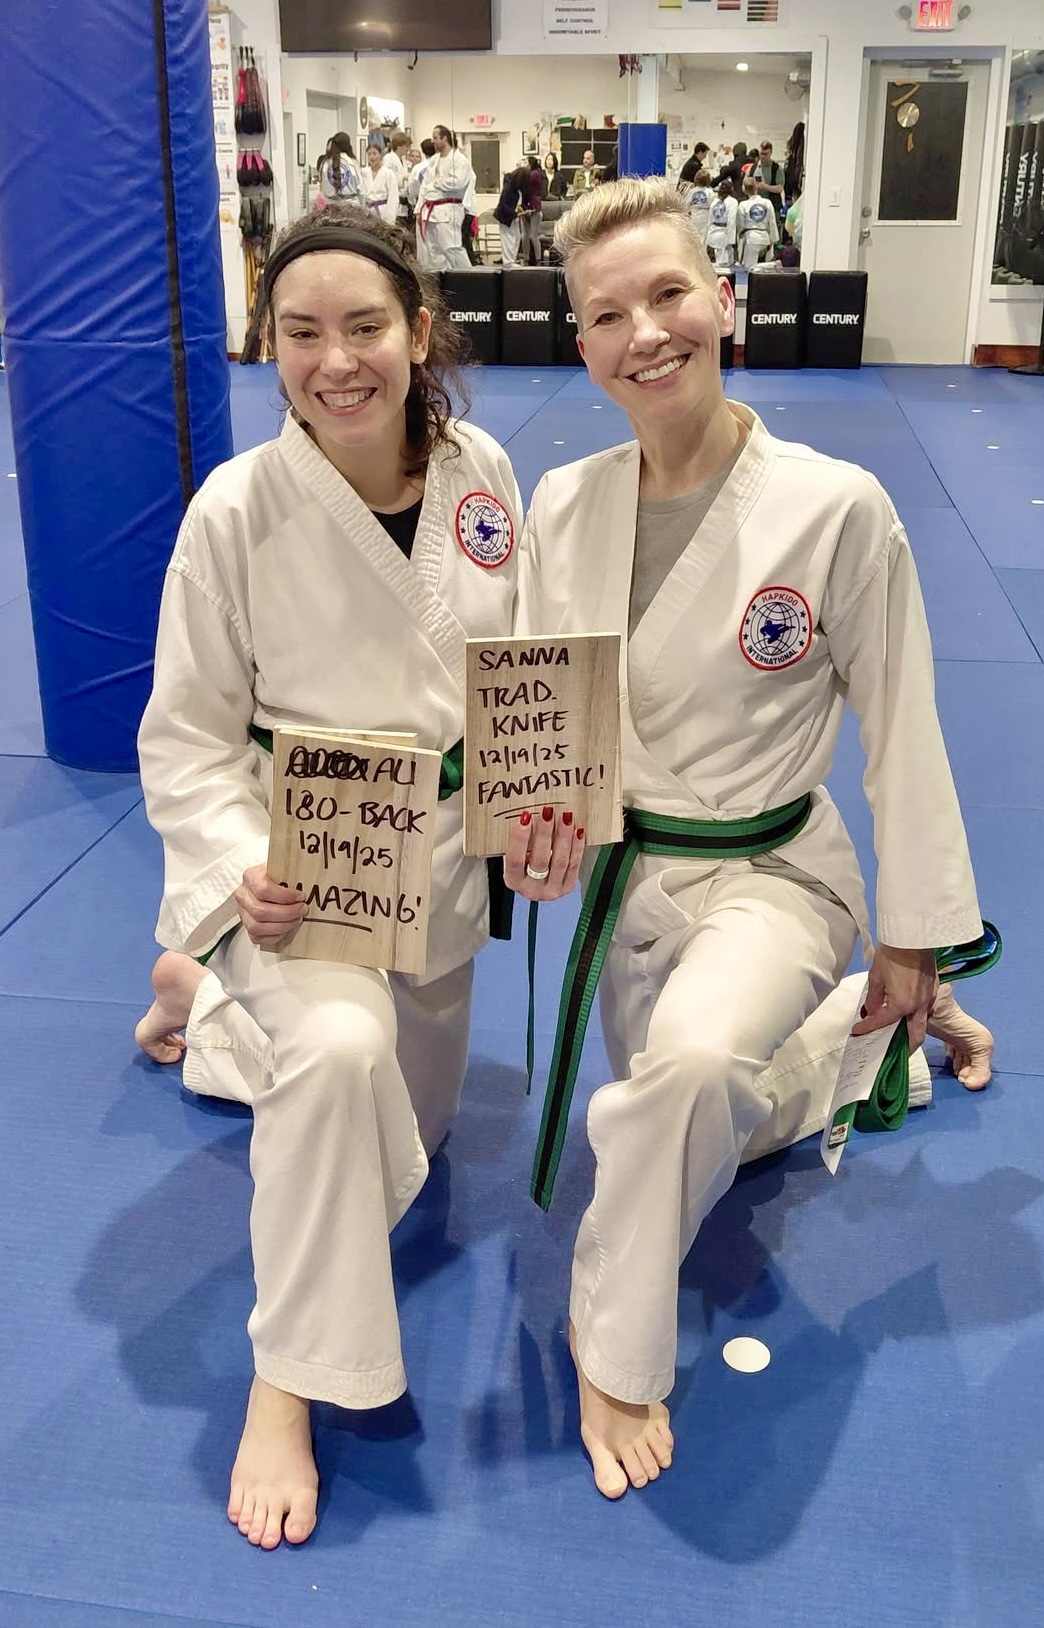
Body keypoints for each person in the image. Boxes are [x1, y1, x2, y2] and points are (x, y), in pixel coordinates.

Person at [507, 177, 991, 1500]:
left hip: (778, 866)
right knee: (700, 1104)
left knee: (682, 1080)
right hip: (631, 880)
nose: (645, 332)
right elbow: (545, 717)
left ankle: (610, 1346)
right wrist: (532, 831)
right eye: (606, 314)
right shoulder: (565, 505)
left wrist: (913, 936)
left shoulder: (834, 507)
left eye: (669, 293)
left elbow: (903, 727)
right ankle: (856, 1035)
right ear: (581, 342)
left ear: (724, 297)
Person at [135, 203, 523, 1548]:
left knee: (394, 1130)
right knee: (340, 1061)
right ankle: (288, 1381)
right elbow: (186, 742)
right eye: (299, 333)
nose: (333, 360)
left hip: (437, 881)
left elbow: (519, 677)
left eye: (364, 326)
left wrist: (541, 804)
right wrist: (238, 874)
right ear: (269, 345)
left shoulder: (483, 472)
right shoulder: (234, 512)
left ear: (418, 333)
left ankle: (190, 997)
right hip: (298, 880)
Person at [416, 125, 474, 273]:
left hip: (449, 209)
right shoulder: (434, 160)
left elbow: (457, 183)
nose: (432, 141)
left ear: (445, 138)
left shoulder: (460, 159)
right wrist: (418, 209)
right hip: (430, 209)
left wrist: (437, 182)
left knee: (451, 248)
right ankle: (439, 284)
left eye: (435, 138)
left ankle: (469, 278)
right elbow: (425, 186)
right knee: (433, 251)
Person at [737, 175, 779, 269]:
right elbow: (772, 222)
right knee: (758, 269)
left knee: (750, 267)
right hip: (765, 237)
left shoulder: (743, 205)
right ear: (756, 188)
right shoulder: (767, 202)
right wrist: (774, 239)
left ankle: (773, 265)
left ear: (744, 189)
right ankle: (771, 265)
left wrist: (740, 238)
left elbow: (741, 226)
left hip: (751, 238)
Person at [494, 161, 530, 267]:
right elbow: (503, 205)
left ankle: (511, 260)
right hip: (505, 217)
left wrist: (521, 210)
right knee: (508, 238)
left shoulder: (516, 188)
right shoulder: (509, 188)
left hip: (512, 217)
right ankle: (508, 262)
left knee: (516, 237)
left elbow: (518, 204)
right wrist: (515, 214)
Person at [318, 132, 363, 207]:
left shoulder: (325, 164)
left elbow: (322, 189)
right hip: (351, 208)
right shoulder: (352, 162)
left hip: (331, 208)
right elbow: (361, 188)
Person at [705, 179, 738, 270]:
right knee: (724, 266)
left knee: (721, 263)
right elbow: (731, 221)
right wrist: (731, 240)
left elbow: (710, 220)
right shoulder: (732, 202)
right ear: (731, 189)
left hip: (713, 233)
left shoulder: (715, 202)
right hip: (724, 235)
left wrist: (708, 237)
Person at [363, 142, 398, 224]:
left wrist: (390, 220)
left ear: (381, 155)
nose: (372, 157)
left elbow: (393, 197)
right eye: (369, 154)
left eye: (374, 154)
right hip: (367, 211)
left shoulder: (388, 173)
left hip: (382, 211)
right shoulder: (364, 172)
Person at [383, 131, 414, 224]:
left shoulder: (404, 161)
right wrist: (403, 177)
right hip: (394, 202)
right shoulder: (388, 158)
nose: (408, 149)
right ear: (399, 145)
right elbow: (386, 180)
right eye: (406, 146)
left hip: (404, 203)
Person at [522, 155, 544, 266]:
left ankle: (538, 259)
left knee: (533, 235)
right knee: (525, 235)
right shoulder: (528, 173)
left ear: (530, 163)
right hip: (526, 206)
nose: (523, 163)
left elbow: (526, 180)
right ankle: (526, 257)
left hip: (534, 207)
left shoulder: (535, 173)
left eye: (525, 161)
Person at [685, 168, 714, 248]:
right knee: (704, 238)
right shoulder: (709, 192)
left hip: (694, 215)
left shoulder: (692, 191)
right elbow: (712, 205)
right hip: (705, 215)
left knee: (694, 237)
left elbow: (686, 204)